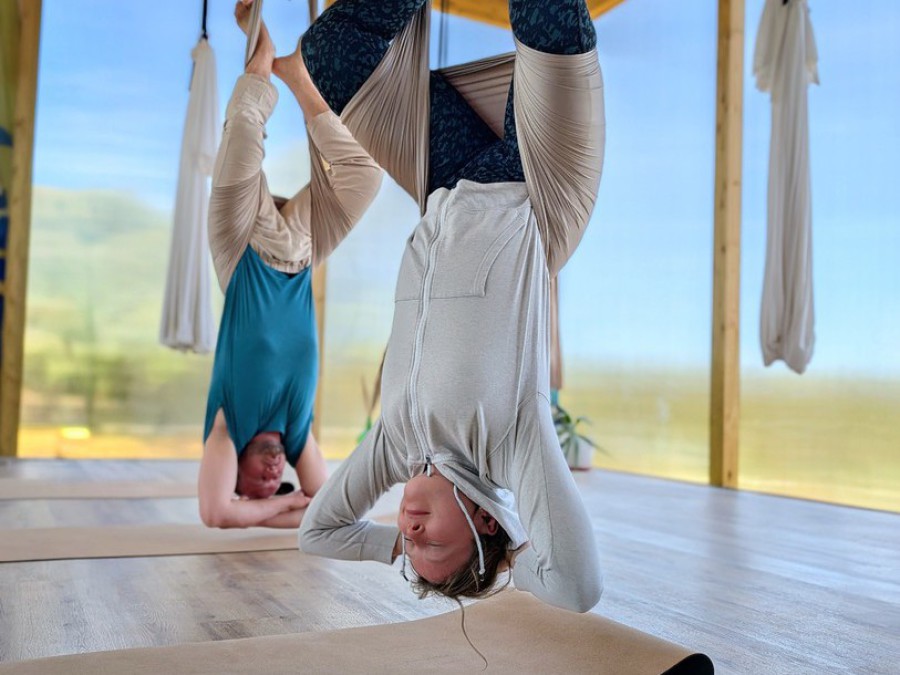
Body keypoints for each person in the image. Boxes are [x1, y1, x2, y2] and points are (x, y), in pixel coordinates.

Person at [298, 0, 605, 612]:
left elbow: (318, 533)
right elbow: (577, 587)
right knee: (545, 19)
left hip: (443, 182)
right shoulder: (511, 443)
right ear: (488, 525)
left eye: (410, 552)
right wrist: (512, 561)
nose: (411, 537)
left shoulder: (393, 444)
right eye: (434, 549)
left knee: (329, 54)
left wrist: (389, 550)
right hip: (537, 187)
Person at [198, 0, 382, 529]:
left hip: (241, 245)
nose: (275, 470)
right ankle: (299, 78)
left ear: (233, 470)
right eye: (277, 479)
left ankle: (259, 52)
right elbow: (324, 511)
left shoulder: (226, 428)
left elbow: (215, 514)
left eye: (255, 483)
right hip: (301, 252)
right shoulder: (299, 436)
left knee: (244, 134)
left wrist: (263, 506)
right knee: (363, 178)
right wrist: (287, 502)